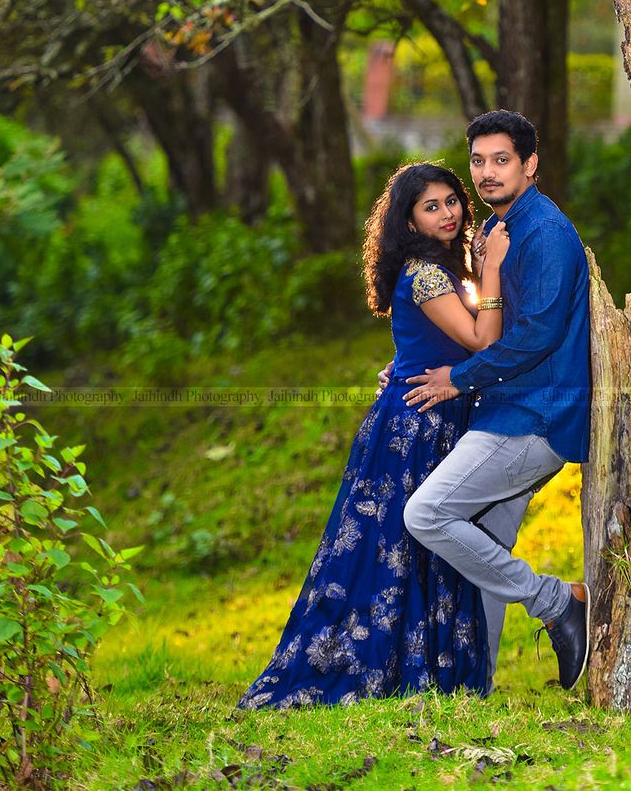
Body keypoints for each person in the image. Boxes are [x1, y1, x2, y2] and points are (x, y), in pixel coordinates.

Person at [238, 162, 510, 709]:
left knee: (419, 549)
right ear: (409, 221)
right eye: (430, 207)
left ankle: (428, 670)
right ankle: (384, 668)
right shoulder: (429, 274)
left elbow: (433, 341)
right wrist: (496, 270)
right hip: (416, 430)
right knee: (396, 550)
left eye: (451, 201)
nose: (448, 213)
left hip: (428, 418)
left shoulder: (445, 272)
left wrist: (403, 359)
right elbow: (483, 339)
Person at [396, 111, 591, 692]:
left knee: (427, 514)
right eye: (477, 161)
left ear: (530, 165)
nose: (486, 173)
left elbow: (537, 336)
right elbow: (488, 321)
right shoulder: (498, 230)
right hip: (508, 409)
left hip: (536, 416)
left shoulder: (545, 233)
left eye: (501, 160)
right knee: (486, 544)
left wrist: (461, 378)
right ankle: (473, 686)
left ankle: (559, 602)